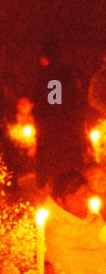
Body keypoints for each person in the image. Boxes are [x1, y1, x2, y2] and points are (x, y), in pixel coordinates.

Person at [42, 170, 106, 274]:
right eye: (75, 198)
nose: (82, 201)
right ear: (60, 202)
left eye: (85, 194)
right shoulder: (54, 228)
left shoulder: (96, 220)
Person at [33, 41, 88, 187]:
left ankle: (48, 185)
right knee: (68, 158)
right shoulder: (68, 72)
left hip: (51, 124)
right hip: (68, 123)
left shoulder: (45, 74)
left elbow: (49, 100)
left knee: (51, 158)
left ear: (44, 58)